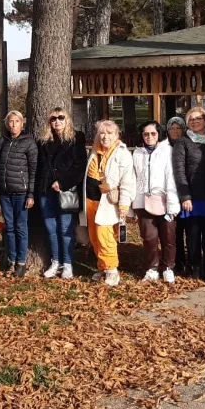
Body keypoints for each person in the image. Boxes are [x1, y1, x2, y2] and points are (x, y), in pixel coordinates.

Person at [36, 107, 88, 280]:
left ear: (67, 120)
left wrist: (63, 182)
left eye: (61, 117)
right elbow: (40, 166)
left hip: (66, 190)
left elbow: (79, 166)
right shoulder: (43, 141)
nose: (57, 121)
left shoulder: (76, 138)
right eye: (53, 118)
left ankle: (67, 263)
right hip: (46, 191)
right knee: (51, 228)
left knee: (66, 229)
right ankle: (55, 261)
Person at [172, 107, 205, 279]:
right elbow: (179, 171)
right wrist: (185, 196)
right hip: (192, 195)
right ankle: (194, 267)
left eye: (198, 118)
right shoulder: (182, 142)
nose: (194, 121)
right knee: (193, 232)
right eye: (191, 119)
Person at [84, 120, 135, 286]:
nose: (105, 136)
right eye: (102, 133)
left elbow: (127, 182)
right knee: (94, 236)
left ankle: (112, 270)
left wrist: (124, 206)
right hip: (91, 200)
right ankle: (103, 266)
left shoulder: (122, 154)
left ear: (116, 135)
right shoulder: (94, 150)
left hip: (108, 201)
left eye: (109, 133)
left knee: (105, 236)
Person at [131, 121, 180, 283]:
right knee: (149, 238)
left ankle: (168, 268)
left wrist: (172, 205)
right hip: (143, 201)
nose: (149, 137)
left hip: (165, 201)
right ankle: (152, 268)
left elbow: (171, 177)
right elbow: (133, 179)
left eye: (153, 133)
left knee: (168, 237)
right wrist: (132, 206)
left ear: (159, 134)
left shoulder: (167, 151)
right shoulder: (137, 153)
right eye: (146, 134)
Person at [0, 110, 38, 278]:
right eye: (10, 121)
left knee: (21, 227)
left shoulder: (28, 142)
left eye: (16, 121)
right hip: (4, 192)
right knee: (9, 227)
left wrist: (30, 194)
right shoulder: (1, 142)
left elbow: (33, 170)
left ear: (21, 124)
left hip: (21, 192)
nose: (13, 124)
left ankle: (21, 262)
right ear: (7, 124)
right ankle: (11, 261)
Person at [166, 116, 189, 273]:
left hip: (185, 192)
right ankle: (178, 261)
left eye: (178, 128)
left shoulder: (187, 144)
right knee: (175, 231)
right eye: (172, 128)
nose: (175, 131)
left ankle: (192, 260)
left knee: (190, 230)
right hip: (170, 194)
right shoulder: (164, 148)